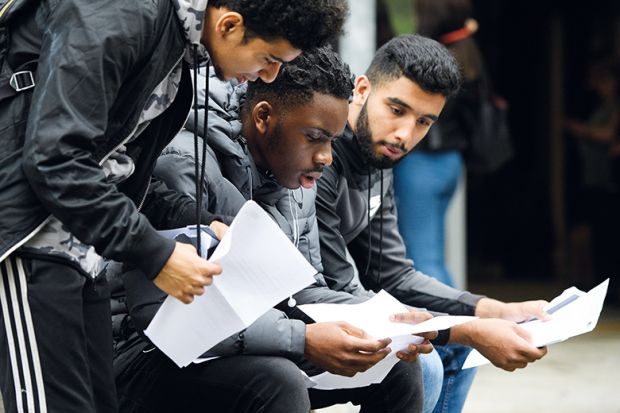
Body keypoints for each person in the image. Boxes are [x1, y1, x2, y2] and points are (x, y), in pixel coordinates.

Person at [0, 0, 349, 411]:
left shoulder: (174, 41)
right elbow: (54, 158)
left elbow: (121, 171)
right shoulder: (122, 13)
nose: (271, 75)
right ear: (229, 24)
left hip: (81, 249)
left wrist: (202, 223)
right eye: (269, 59)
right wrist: (157, 255)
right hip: (29, 239)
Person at [116, 46, 435, 413]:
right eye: (315, 138)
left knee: (396, 366)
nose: (326, 157)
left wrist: (384, 320)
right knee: (277, 381)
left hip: (243, 344)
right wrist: (301, 339)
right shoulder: (185, 162)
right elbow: (168, 316)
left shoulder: (295, 177)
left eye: (332, 140)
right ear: (264, 117)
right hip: (142, 352)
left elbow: (305, 292)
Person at [314, 34, 550, 413]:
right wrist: (467, 327)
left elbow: (393, 275)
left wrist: (490, 309)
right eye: (396, 109)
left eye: (423, 121)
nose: (405, 134)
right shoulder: (318, 158)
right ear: (361, 89)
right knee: (423, 364)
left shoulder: (379, 159)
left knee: (455, 348)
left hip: (341, 313)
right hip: (305, 326)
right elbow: (342, 291)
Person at [391, 1, 485, 411]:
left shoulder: (421, 63)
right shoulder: (468, 52)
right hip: (450, 164)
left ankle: (447, 327)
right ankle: (454, 326)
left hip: (424, 166)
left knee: (423, 258)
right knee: (435, 258)